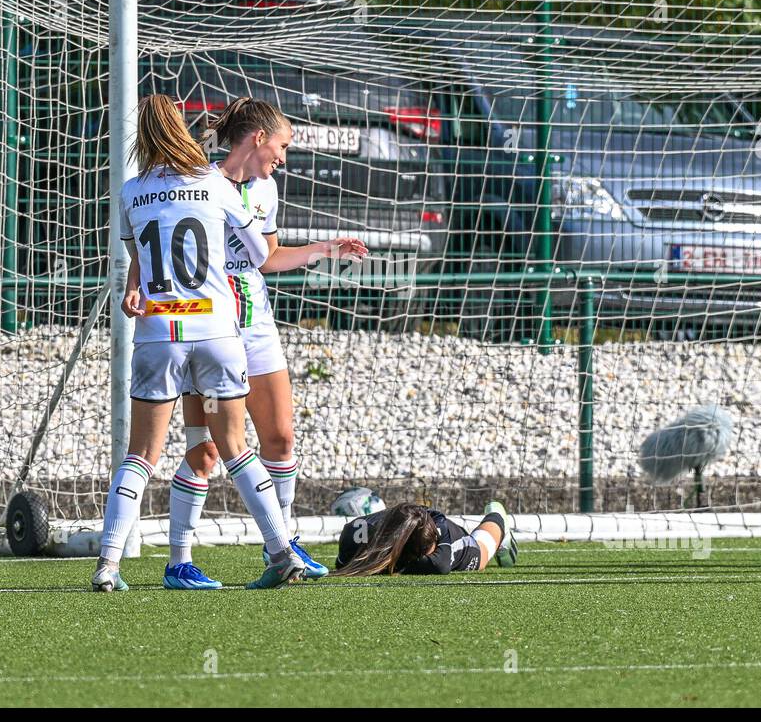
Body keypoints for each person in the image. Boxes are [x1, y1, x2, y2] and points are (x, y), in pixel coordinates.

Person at [93, 94, 302, 592]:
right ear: (183, 131)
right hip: (216, 333)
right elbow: (256, 254)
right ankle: (280, 551)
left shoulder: (129, 191)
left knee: (141, 454)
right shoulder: (214, 182)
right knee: (234, 447)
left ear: (141, 137)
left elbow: (138, 265)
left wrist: (132, 289)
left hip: (160, 333)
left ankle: (107, 566)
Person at [160, 97, 367, 590]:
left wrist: (323, 249)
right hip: (207, 329)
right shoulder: (197, 182)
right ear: (257, 138)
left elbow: (266, 258)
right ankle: (179, 561)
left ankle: (282, 540)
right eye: (283, 144)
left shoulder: (266, 190)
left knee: (280, 439)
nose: (285, 156)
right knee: (206, 450)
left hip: (256, 330)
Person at [333, 501, 518, 576]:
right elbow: (341, 563)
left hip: (446, 532)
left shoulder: (441, 555)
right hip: (405, 519)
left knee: (483, 551)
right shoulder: (354, 534)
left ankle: (497, 515)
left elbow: (440, 565)